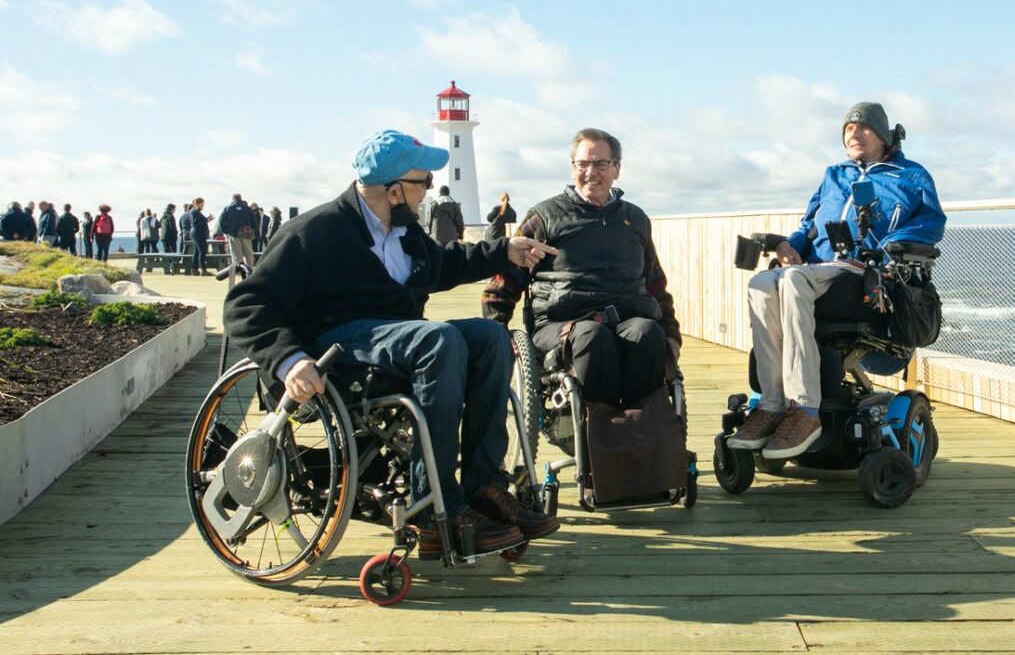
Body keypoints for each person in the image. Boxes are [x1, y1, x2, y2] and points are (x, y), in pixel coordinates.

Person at [224, 129, 562, 558]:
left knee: (490, 336)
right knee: (437, 339)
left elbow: (442, 265)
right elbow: (245, 304)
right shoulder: (315, 232)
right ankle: (435, 508)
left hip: (398, 341)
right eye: (423, 184)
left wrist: (503, 251)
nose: (428, 193)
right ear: (396, 190)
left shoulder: (403, 231)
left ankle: (483, 487)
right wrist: (288, 359)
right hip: (336, 349)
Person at [728, 101, 946, 459]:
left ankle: (805, 409)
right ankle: (771, 404)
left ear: (884, 135)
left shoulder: (911, 175)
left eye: (864, 128)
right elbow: (808, 225)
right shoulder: (834, 175)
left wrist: (891, 245)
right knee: (763, 283)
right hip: (818, 269)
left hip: (865, 272)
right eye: (848, 129)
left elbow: (932, 222)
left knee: (793, 279)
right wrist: (788, 244)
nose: (854, 134)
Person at [483, 128, 682, 409]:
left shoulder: (635, 219)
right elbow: (504, 280)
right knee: (593, 336)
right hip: (562, 324)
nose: (591, 172)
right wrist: (498, 329)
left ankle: (640, 431)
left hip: (628, 318)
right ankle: (601, 435)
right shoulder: (544, 217)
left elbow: (655, 285)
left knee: (648, 334)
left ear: (616, 169)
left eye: (600, 164)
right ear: (572, 167)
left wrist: (671, 334)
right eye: (583, 164)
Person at [219, 193, 257, 271]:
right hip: (246, 233)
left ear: (233, 199)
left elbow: (221, 222)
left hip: (233, 234)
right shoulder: (248, 208)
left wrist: (226, 231)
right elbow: (254, 222)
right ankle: (249, 271)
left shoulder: (228, 208)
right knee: (249, 254)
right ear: (241, 198)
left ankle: (239, 272)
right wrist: (251, 231)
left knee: (237, 255)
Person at [187, 198, 211, 275]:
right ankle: (203, 270)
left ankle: (194, 269)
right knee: (202, 251)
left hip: (196, 233)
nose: (203, 205)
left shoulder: (195, 212)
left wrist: (207, 219)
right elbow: (195, 223)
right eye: (202, 203)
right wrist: (206, 220)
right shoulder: (194, 212)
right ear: (198, 203)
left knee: (196, 252)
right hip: (198, 234)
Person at [159, 204, 179, 274]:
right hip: (171, 236)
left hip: (164, 236)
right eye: (174, 209)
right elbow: (172, 226)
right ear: (171, 209)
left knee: (166, 251)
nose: (175, 210)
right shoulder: (171, 216)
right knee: (173, 252)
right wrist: (176, 232)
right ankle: (173, 267)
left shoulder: (163, 216)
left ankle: (167, 267)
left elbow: (159, 225)